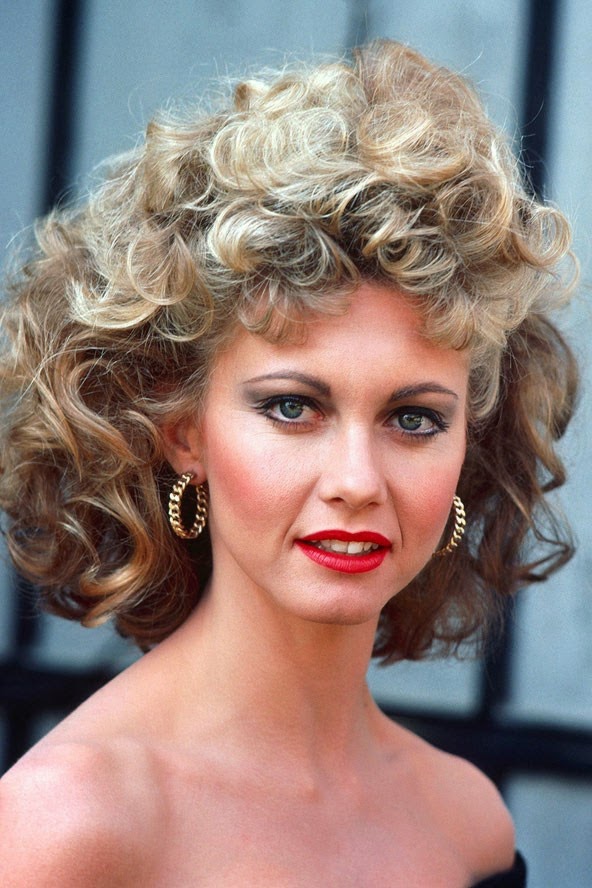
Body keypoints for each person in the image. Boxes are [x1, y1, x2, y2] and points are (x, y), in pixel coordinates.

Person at [0, 39, 576, 886]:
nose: (357, 481)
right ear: (182, 430)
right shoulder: (67, 828)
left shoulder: (467, 825)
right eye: (293, 408)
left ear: (470, 444)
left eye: (413, 419)